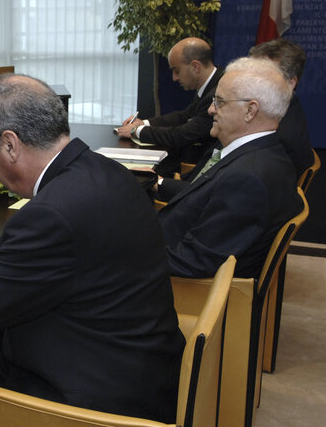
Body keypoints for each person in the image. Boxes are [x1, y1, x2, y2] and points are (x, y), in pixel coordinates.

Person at [0, 74, 184, 426]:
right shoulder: (105, 170)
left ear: (10, 144)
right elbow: (69, 243)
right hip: (137, 360)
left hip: (89, 397)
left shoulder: (51, 213)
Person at [157, 57, 302, 280]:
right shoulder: (264, 155)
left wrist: (124, 253)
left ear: (250, 111)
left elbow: (193, 262)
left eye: (219, 102)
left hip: (177, 290)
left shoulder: (248, 179)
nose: (210, 110)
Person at [116, 37, 222, 175]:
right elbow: (184, 116)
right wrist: (144, 123)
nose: (174, 78)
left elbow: (182, 135)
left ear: (195, 66)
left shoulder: (217, 92)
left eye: (176, 70)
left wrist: (135, 131)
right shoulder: (210, 85)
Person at [249, 38, 314, 177]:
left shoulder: (277, 134)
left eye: (262, 75)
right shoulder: (286, 105)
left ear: (290, 83)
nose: (251, 80)